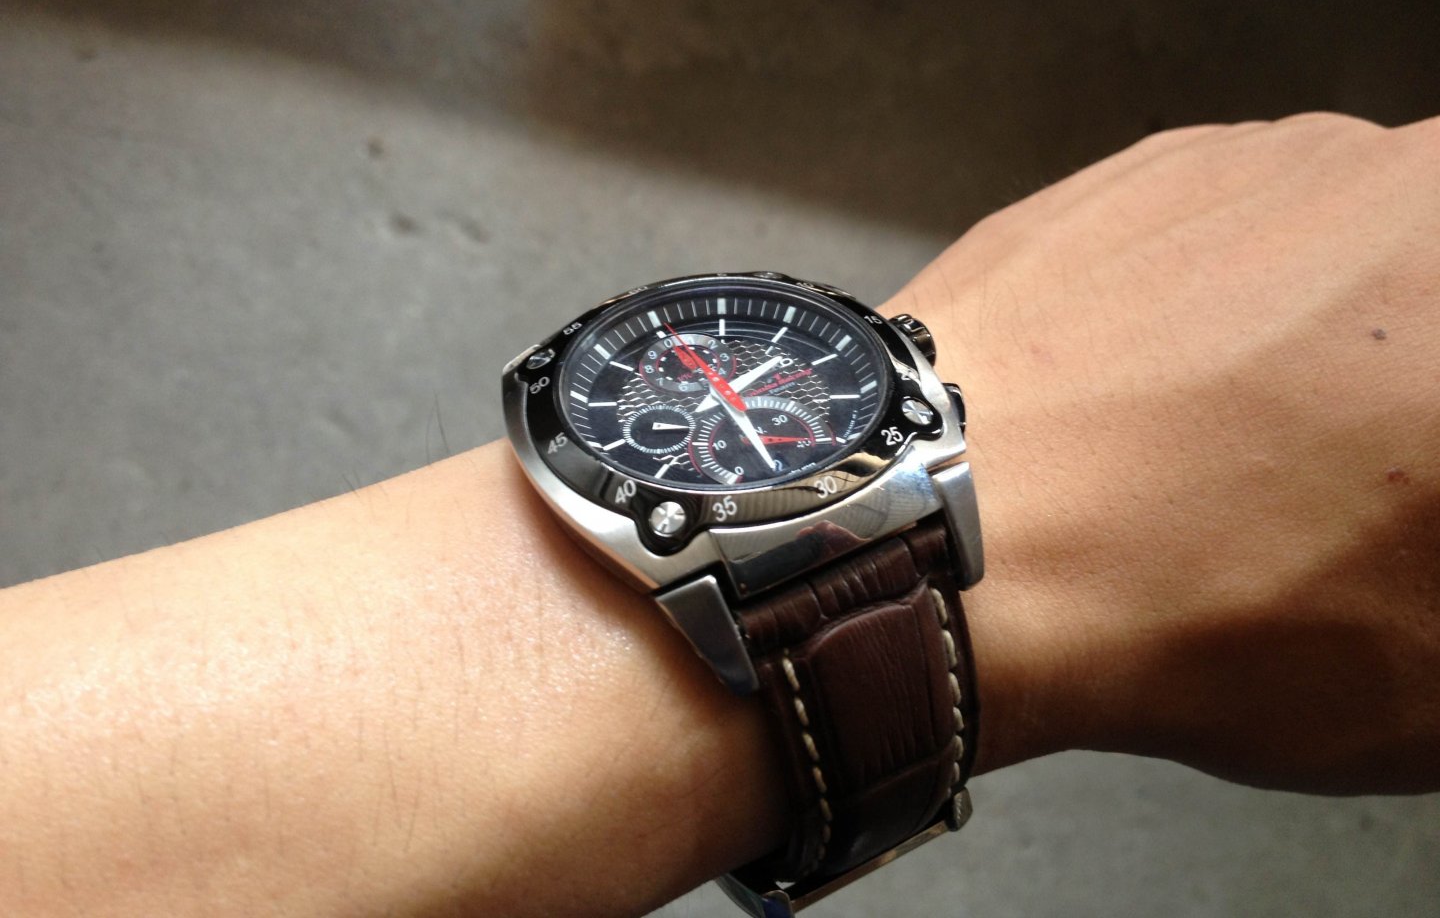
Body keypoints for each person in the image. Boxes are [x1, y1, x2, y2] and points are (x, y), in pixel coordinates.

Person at [1, 113, 1436, 917]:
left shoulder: (902, 441)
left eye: (728, 367)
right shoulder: (681, 531)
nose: (722, 382)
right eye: (700, 376)